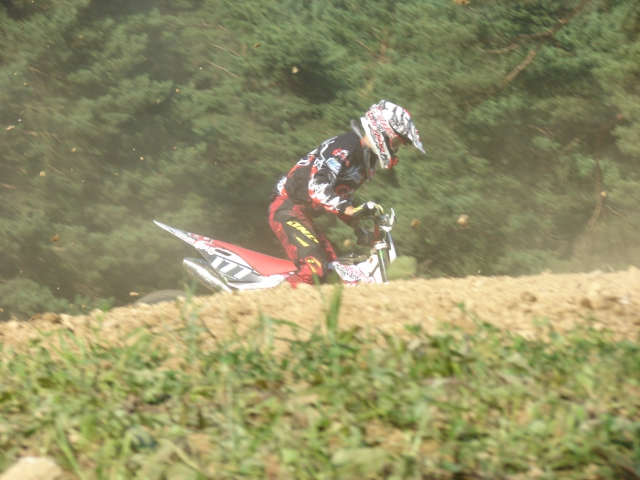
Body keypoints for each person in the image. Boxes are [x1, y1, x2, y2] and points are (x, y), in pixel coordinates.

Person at [268, 100, 425, 286]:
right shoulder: (347, 146)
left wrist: (358, 227)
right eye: (396, 142)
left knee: (332, 274)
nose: (396, 149)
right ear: (382, 131)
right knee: (314, 269)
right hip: (287, 207)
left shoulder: (366, 159)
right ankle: (271, 297)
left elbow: (341, 197)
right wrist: (350, 211)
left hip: (304, 215)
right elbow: (316, 186)